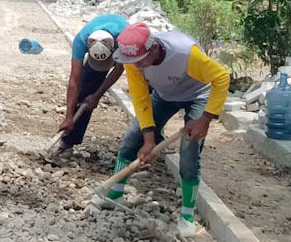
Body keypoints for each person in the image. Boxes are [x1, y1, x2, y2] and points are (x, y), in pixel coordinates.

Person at [91, 23, 229, 238]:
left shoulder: (185, 54)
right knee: (132, 138)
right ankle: (114, 194)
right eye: (132, 61)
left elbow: (221, 77)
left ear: (154, 48)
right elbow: (140, 97)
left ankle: (187, 215)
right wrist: (149, 140)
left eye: (140, 60)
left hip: (198, 94)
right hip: (164, 95)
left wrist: (205, 119)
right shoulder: (132, 58)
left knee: (189, 151)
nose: (136, 65)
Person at [55, 14, 129, 154]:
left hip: (125, 46)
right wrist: (68, 117)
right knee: (86, 89)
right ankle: (69, 140)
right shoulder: (80, 41)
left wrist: (97, 96)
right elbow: (74, 80)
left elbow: (118, 70)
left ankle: (148, 135)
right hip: (102, 44)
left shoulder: (124, 40)